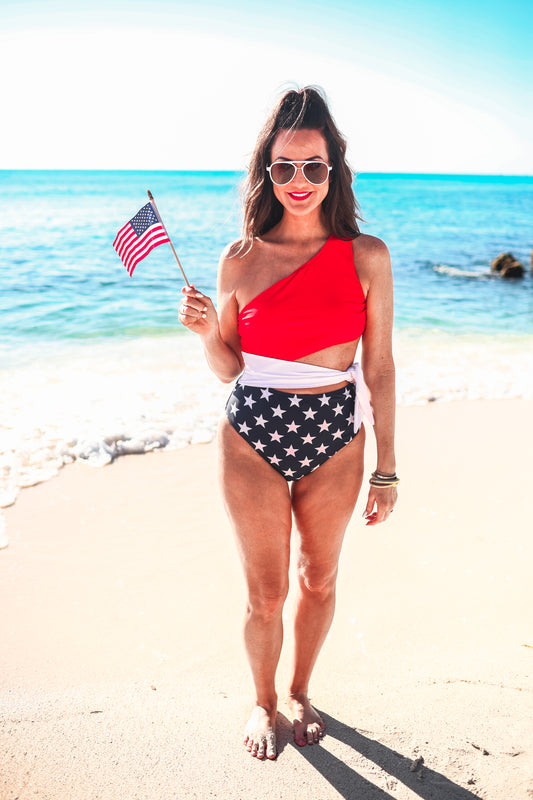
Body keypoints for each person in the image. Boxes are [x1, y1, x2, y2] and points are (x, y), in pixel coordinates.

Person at [178, 86, 398, 760]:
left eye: (312, 166)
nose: (297, 181)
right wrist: (204, 333)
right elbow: (227, 368)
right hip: (251, 436)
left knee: (320, 578)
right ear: (265, 172)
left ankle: (300, 691)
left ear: (333, 170)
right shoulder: (239, 257)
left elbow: (381, 367)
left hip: (336, 435)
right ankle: (261, 701)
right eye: (283, 167)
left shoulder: (367, 255)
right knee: (264, 591)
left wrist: (386, 467)